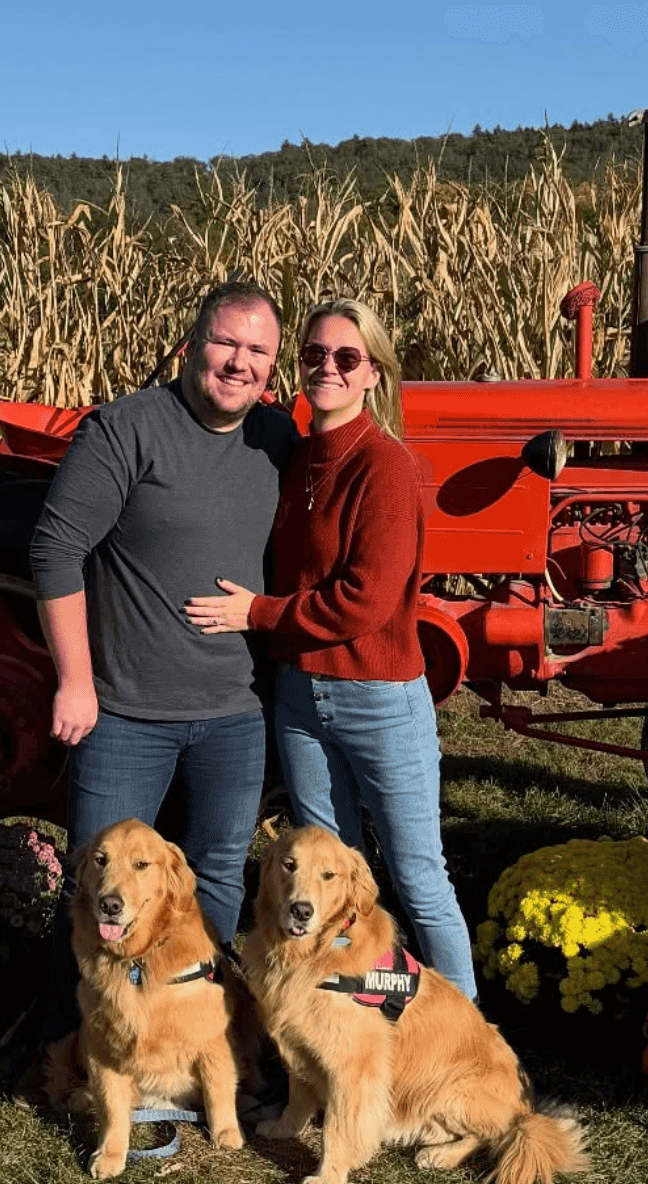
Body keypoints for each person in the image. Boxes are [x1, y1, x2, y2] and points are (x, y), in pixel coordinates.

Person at [28, 280, 300, 1041]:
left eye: (258, 351)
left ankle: (185, 1041)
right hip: (125, 714)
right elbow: (55, 547)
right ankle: (70, 1049)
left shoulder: (275, 440)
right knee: (97, 887)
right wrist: (76, 682)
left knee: (212, 880)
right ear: (191, 343)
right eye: (225, 343)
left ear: (272, 368)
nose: (238, 363)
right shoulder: (125, 430)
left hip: (234, 714)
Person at [183, 297, 478, 999]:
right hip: (300, 699)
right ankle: (343, 1026)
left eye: (347, 358)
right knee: (324, 878)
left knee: (416, 875)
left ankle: (469, 1043)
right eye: (315, 355)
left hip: (377, 698)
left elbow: (366, 600)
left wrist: (257, 613)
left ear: (374, 371)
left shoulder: (385, 467)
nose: (328, 368)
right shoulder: (299, 457)